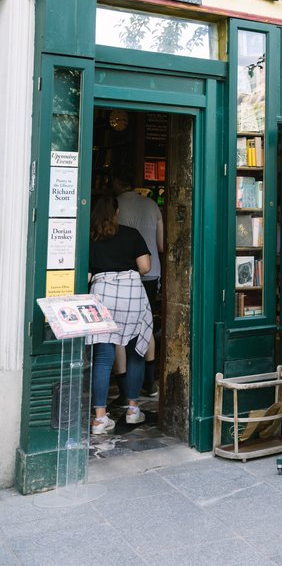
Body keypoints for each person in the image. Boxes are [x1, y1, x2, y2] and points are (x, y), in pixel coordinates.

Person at [89, 195, 154, 434]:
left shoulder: (90, 237)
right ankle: (133, 409)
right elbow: (146, 267)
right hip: (131, 294)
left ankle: (99, 418)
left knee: (104, 357)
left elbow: (86, 277)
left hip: (102, 293)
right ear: (116, 212)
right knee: (136, 351)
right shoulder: (131, 234)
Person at [112, 166, 163, 397]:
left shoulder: (116, 206)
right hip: (150, 273)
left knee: (119, 330)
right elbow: (161, 246)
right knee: (147, 326)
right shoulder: (152, 205)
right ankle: (148, 383)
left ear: (116, 183)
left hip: (122, 274)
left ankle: (124, 389)